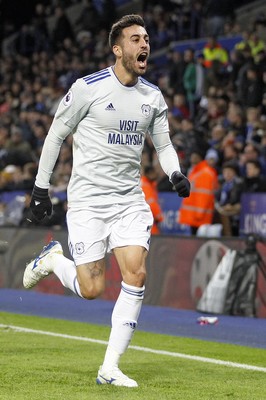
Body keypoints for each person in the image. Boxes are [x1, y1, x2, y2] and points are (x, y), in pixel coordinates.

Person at [23, 14, 190, 388]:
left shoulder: (152, 96)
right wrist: (40, 188)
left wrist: (175, 172)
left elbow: (162, 144)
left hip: (129, 200)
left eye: (146, 38)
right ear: (118, 49)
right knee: (92, 289)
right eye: (135, 39)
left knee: (137, 273)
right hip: (87, 202)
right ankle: (52, 259)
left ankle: (109, 367)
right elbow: (55, 136)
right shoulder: (87, 88)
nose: (144, 43)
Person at [178, 150, 217, 235]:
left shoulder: (205, 173)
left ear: (199, 157)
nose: (192, 158)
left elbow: (205, 195)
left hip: (200, 217)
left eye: (194, 156)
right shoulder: (196, 172)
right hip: (195, 216)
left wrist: (200, 214)